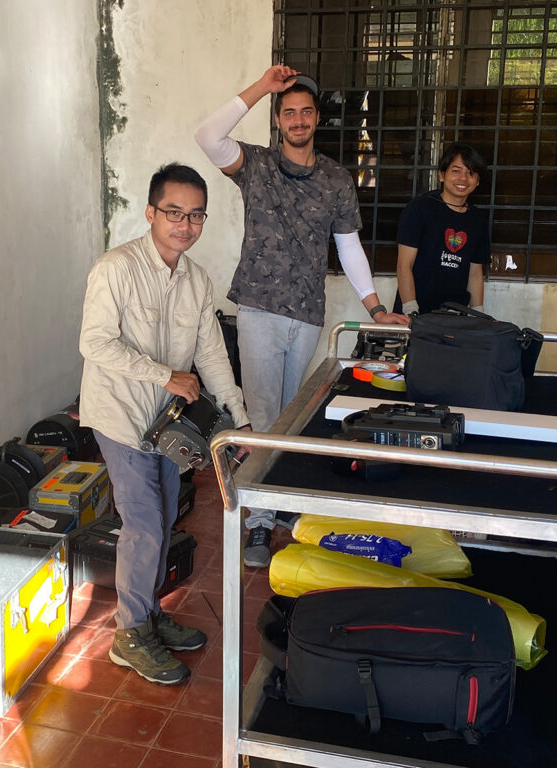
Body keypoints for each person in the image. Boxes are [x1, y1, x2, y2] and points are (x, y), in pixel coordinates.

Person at [195, 64, 408, 568]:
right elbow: (206, 135)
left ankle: (282, 501)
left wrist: (375, 307)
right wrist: (259, 88)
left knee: (293, 416)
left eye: (305, 111)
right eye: (287, 111)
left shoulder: (335, 178)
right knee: (265, 416)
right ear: (278, 119)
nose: (297, 119)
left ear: (316, 119)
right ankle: (260, 523)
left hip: (308, 312)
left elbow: (349, 246)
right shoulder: (256, 165)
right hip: (260, 308)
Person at [78, 163, 250, 685]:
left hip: (169, 426)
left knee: (167, 515)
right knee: (145, 523)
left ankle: (148, 614)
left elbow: (213, 355)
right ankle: (129, 636)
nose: (185, 224)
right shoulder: (115, 268)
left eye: (196, 215)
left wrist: (239, 422)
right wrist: (164, 374)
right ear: (151, 212)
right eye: (174, 212)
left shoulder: (197, 280)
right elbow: (94, 343)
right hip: (121, 416)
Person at [394, 143, 491, 316]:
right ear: (441, 174)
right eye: (456, 170)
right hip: (417, 312)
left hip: (455, 315)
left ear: (477, 181)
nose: (463, 178)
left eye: (471, 173)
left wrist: (478, 313)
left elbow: (475, 273)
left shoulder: (478, 219)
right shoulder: (419, 208)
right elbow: (404, 265)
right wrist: (410, 309)